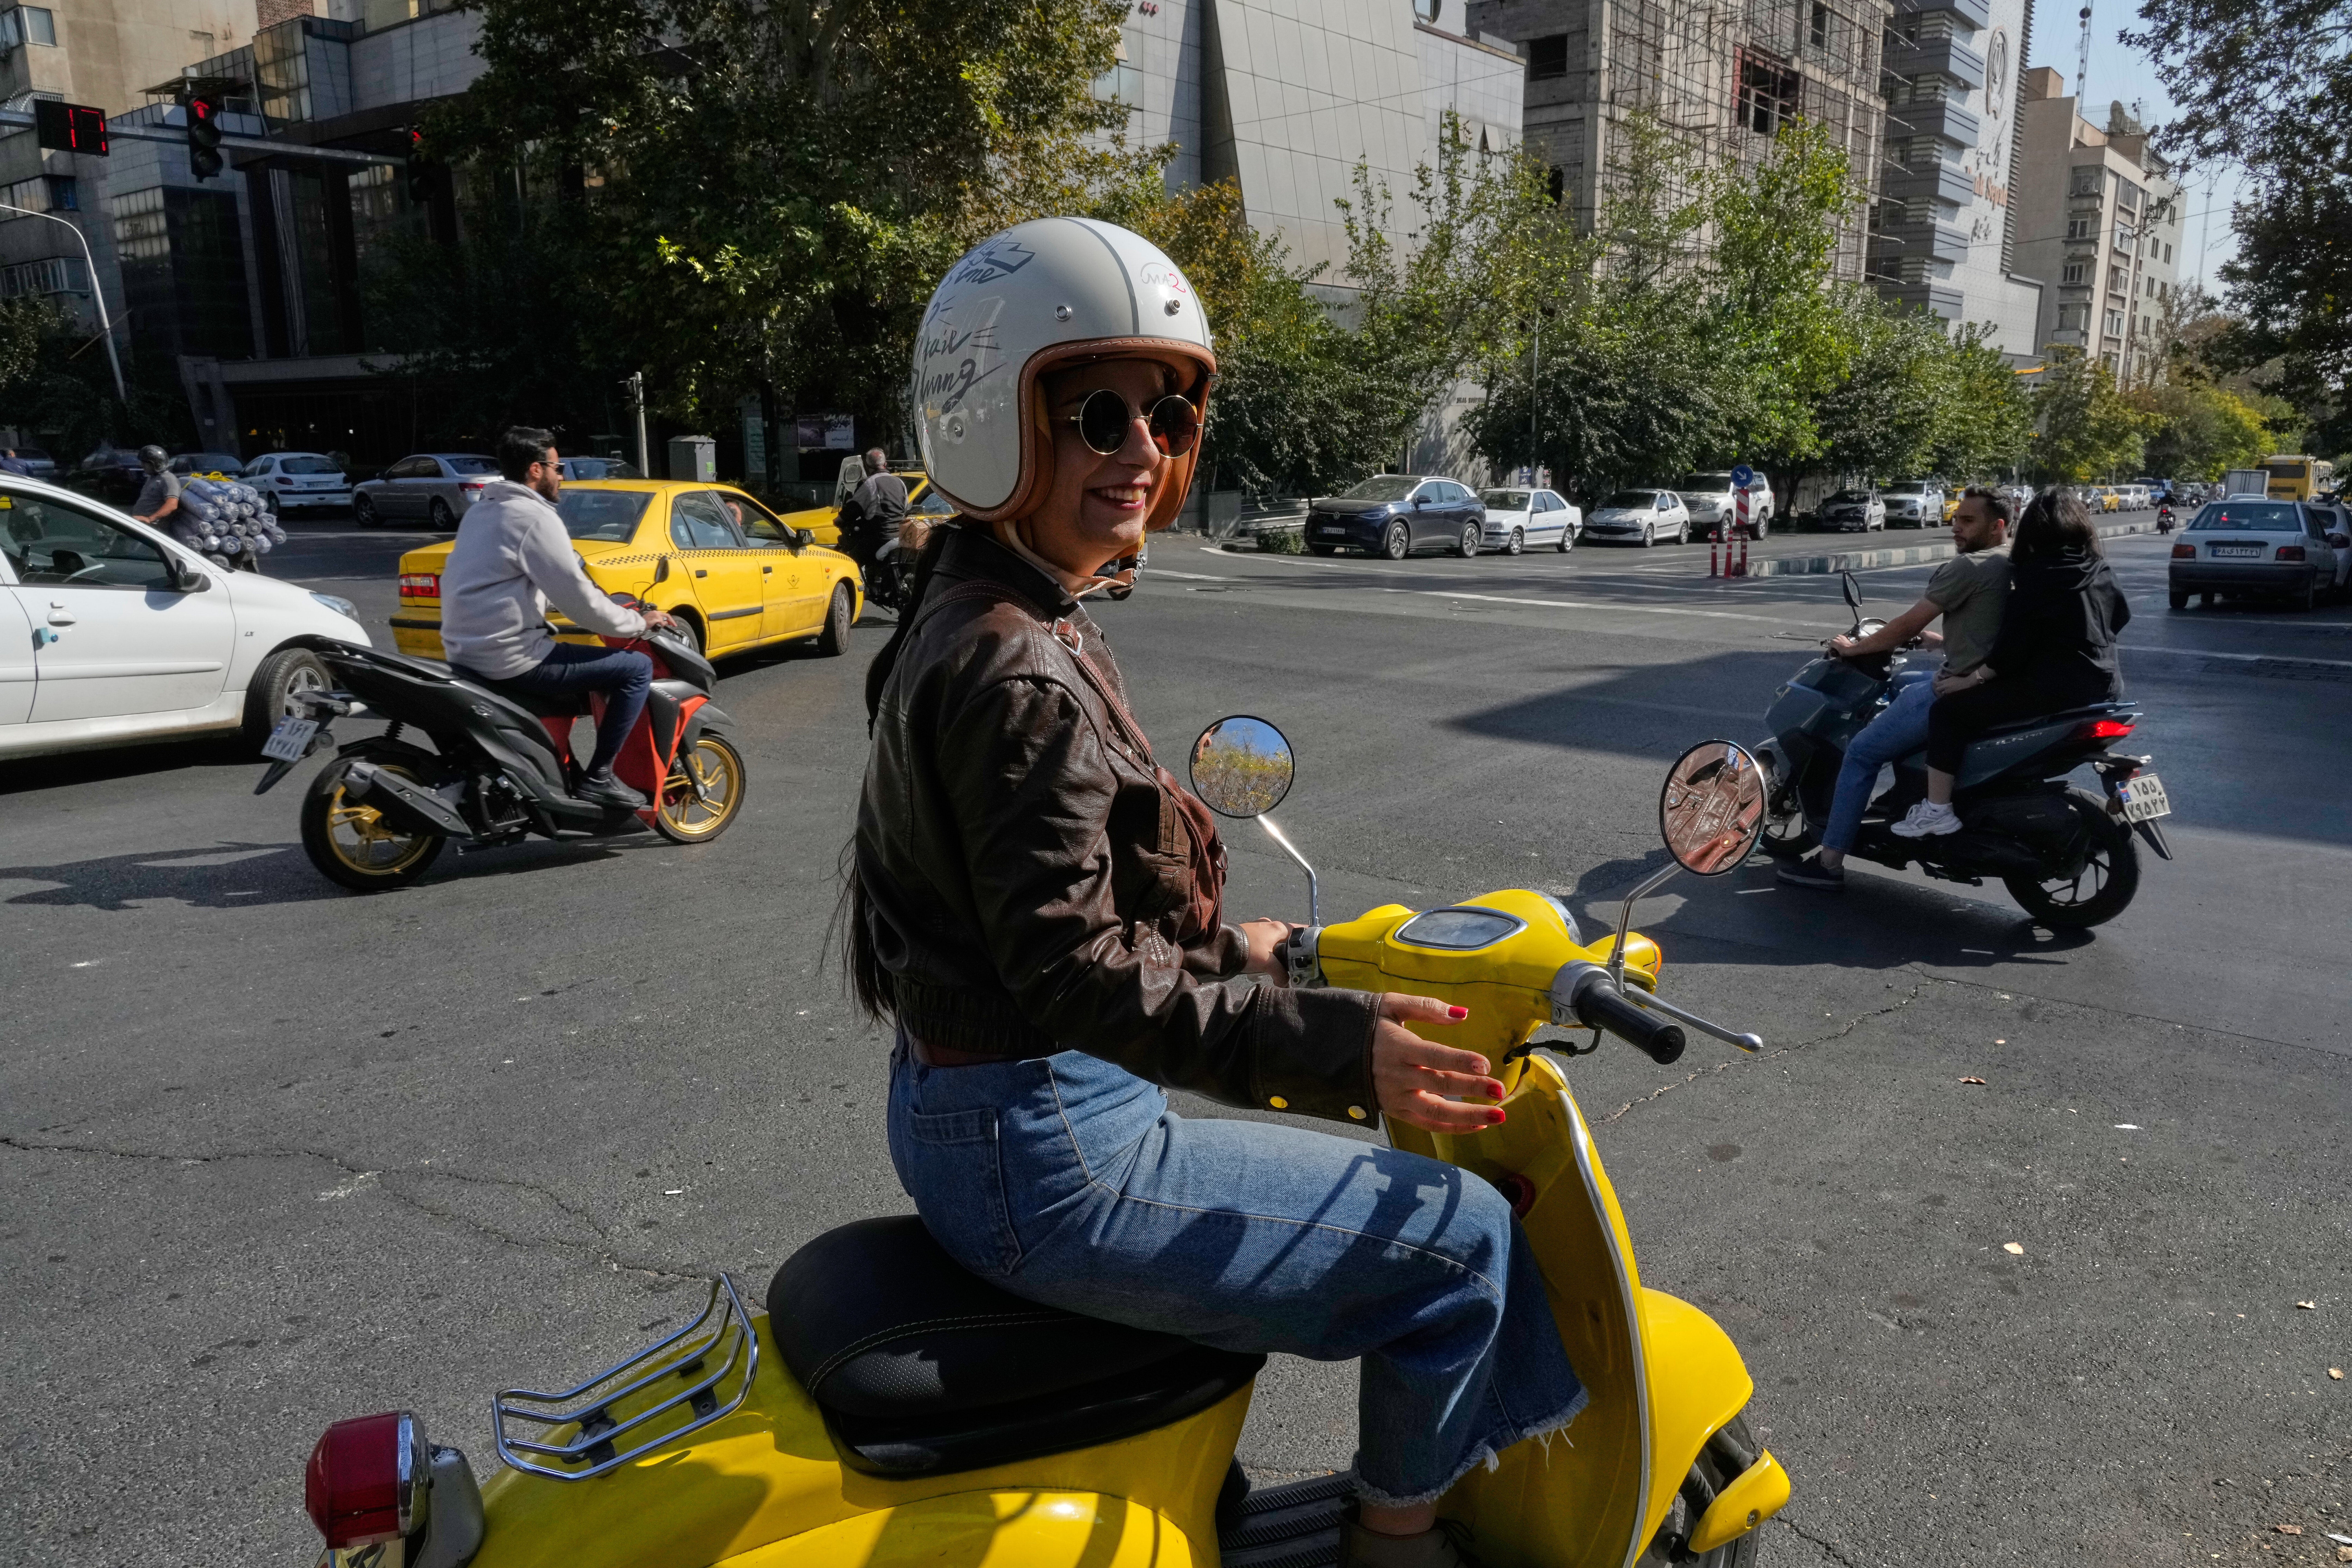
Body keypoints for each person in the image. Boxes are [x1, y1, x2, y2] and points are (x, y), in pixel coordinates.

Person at [850, 219, 1582, 1568]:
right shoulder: (1019, 665)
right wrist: (1343, 1049)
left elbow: (1016, 918)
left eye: (1167, 413)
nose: (1141, 449)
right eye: (1096, 414)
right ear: (995, 422)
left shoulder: (984, 608)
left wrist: (1234, 944)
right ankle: (1399, 1542)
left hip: (976, 1105)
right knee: (1468, 1243)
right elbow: (1069, 974)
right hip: (1050, 1142)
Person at [1779, 487, 2013, 888]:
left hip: (1961, 690)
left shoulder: (1971, 567)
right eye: (1956, 518)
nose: (1956, 527)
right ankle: (1900, 796)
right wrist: (1940, 643)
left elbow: (1907, 625)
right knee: (1903, 681)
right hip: (1998, 681)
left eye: (1968, 521)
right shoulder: (2013, 562)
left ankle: (1830, 861)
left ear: (1998, 526)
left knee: (1862, 753)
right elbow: (1988, 629)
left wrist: (1857, 649)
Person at [439, 425, 678, 811]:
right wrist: (638, 623)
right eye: (559, 467)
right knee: (634, 669)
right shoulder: (535, 518)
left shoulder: (482, 512)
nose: (562, 476)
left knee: (571, 688)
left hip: (466, 653)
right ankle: (600, 778)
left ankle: (562, 775)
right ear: (536, 470)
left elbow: (509, 583)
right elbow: (579, 602)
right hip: (513, 658)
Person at [1893, 488, 2131, 838]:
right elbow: (2121, 616)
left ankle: (1937, 810)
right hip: (2108, 685)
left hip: (2053, 689)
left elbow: (2013, 646)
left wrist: (1972, 680)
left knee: (1948, 713)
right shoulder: (2098, 568)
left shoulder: (2038, 575)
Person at [834, 447, 907, 573]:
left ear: (867, 466)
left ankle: (860, 590)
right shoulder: (900, 483)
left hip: (879, 538)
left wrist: (840, 520)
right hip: (901, 536)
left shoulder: (870, 484)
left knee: (849, 562)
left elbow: (853, 509)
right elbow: (905, 509)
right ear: (885, 464)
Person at [130, 445, 181, 524]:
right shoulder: (153, 478)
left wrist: (151, 519)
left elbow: (172, 504)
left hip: (152, 527)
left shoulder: (168, 479)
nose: (142, 465)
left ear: (156, 464)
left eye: (145, 463)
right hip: (141, 524)